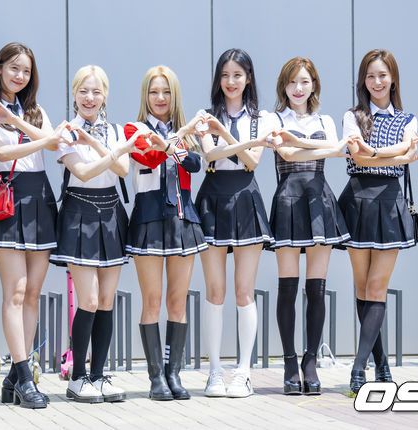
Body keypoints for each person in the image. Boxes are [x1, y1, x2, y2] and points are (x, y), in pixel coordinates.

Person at [0, 42, 65, 409]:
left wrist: (16, 123)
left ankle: (16, 374)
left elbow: (55, 145)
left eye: (26, 71)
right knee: (16, 290)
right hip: (8, 199)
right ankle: (25, 377)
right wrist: (34, 136)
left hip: (40, 198)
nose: (19, 76)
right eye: (13, 68)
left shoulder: (35, 111)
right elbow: (0, 152)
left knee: (33, 293)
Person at [50, 65, 139, 403]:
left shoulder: (114, 130)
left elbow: (123, 170)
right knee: (87, 300)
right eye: (83, 91)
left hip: (111, 211)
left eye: (96, 92)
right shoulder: (65, 131)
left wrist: (98, 145)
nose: (89, 98)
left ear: (105, 96)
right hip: (79, 210)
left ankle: (99, 375)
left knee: (106, 300)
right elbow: (84, 172)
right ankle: (77, 378)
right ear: (74, 94)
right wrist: (111, 151)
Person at [339, 49, 418, 394]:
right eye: (370, 76)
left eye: (382, 75)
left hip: (389, 202)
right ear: (363, 81)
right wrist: (392, 154)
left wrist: (373, 152)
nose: (376, 82)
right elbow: (359, 158)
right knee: (361, 288)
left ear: (393, 79)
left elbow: (409, 154)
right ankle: (382, 362)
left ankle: (359, 368)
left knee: (376, 288)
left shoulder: (408, 119)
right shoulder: (352, 116)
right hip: (357, 199)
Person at [268, 57, 349, 395]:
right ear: (283, 87)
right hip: (288, 198)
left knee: (316, 289)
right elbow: (286, 155)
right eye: (292, 82)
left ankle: (310, 361)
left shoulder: (325, 119)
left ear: (314, 84)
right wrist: (323, 146)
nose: (298, 88)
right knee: (288, 287)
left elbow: (337, 150)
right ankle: (290, 362)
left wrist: (301, 142)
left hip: (319, 199)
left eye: (304, 81)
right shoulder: (274, 119)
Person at [195, 48, 273, 398]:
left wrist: (226, 136)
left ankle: (243, 371)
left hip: (245, 197)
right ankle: (214, 371)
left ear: (248, 78)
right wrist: (236, 143)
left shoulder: (262, 118)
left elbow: (252, 161)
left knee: (244, 291)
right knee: (215, 291)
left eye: (237, 75)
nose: (231, 82)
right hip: (212, 198)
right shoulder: (205, 115)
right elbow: (209, 155)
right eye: (225, 75)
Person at [124, 65, 205, 400]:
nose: (160, 98)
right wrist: (176, 141)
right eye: (154, 91)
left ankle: (174, 373)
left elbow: (194, 164)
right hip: (148, 217)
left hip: (182, 218)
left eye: (166, 92)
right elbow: (151, 157)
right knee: (153, 300)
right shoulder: (134, 129)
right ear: (145, 95)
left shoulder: (185, 134)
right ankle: (155, 377)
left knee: (176, 300)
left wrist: (177, 142)